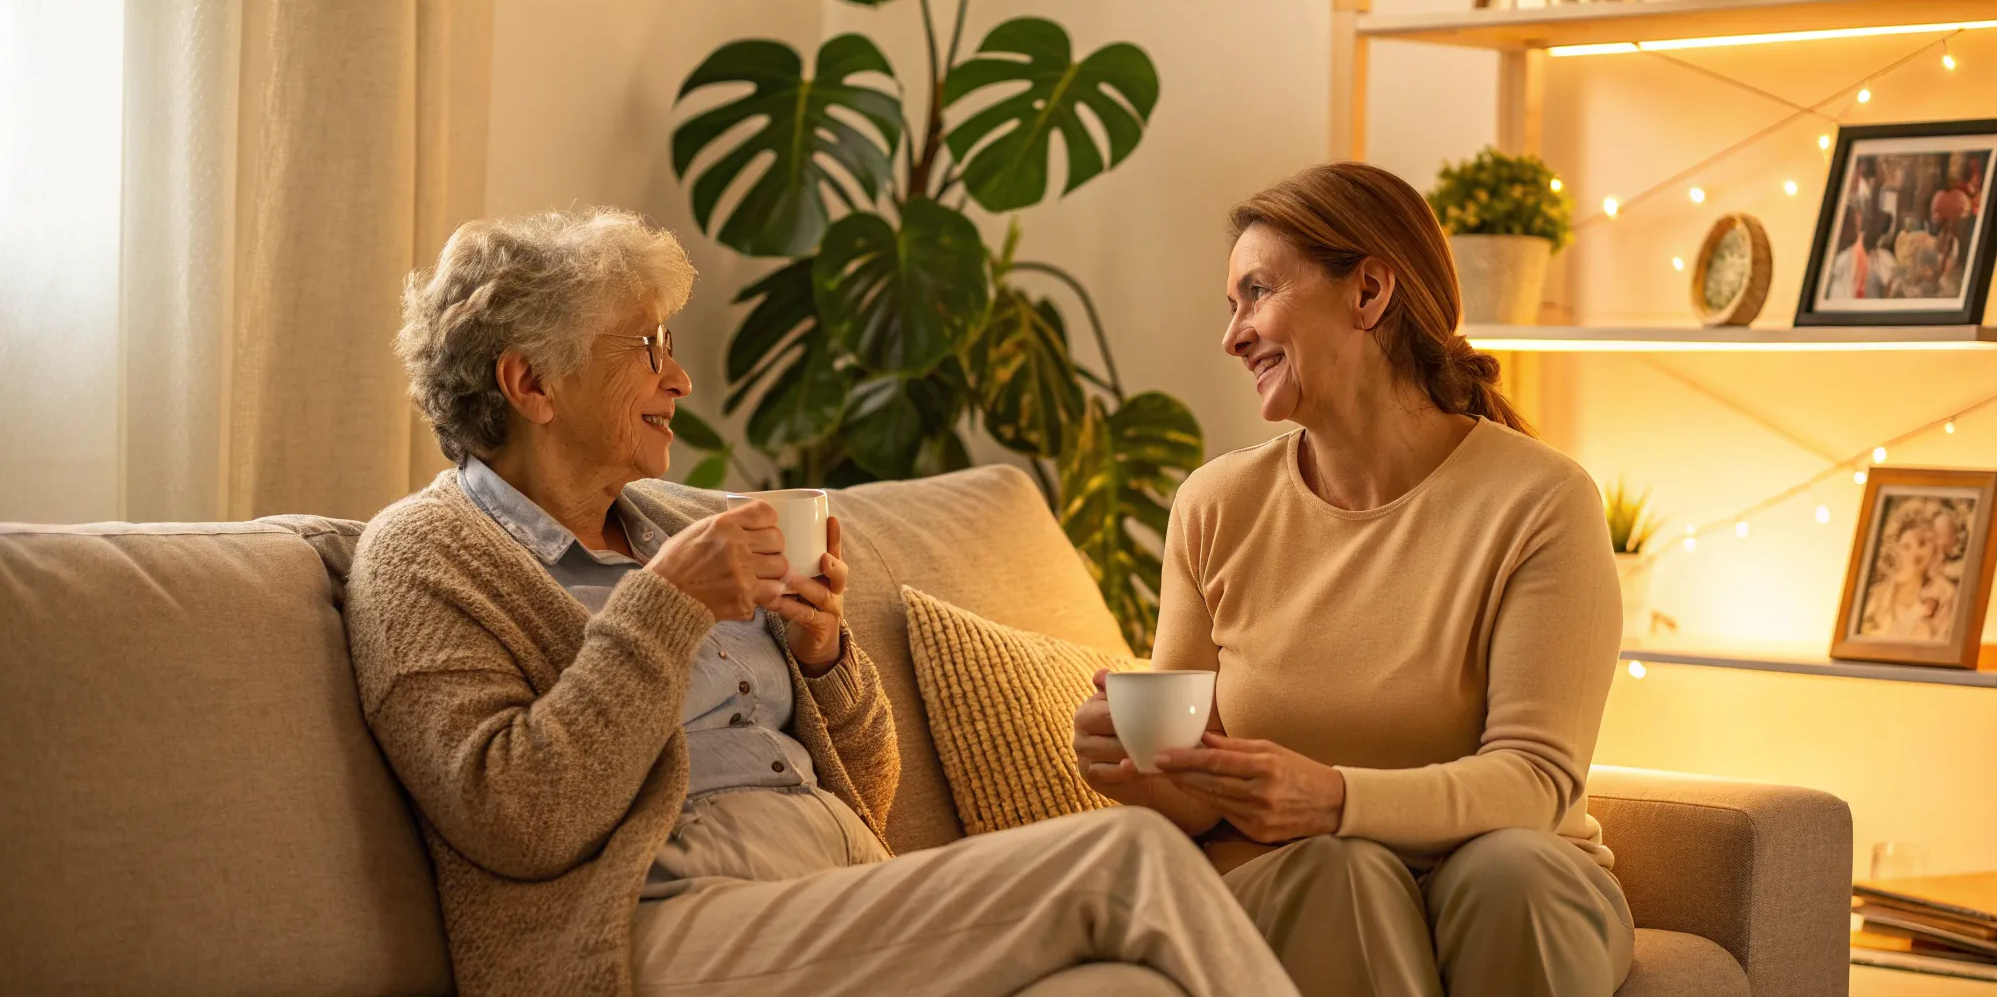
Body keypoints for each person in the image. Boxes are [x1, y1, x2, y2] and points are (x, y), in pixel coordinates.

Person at [347, 207, 1298, 997]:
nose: (678, 378)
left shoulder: (673, 519)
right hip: (649, 926)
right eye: (647, 347)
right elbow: (518, 816)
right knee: (1127, 855)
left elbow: (866, 790)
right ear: (529, 383)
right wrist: (668, 605)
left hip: (833, 881)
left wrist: (825, 658)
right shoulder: (424, 559)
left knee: (1118, 990)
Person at [1072, 163, 1633, 997]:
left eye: (1256, 293)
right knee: (1337, 876)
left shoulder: (1542, 502)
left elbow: (1535, 780)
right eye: (1232, 307)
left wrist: (1334, 799)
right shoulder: (1217, 505)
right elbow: (1202, 794)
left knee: (1508, 874)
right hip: (1296, 882)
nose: (1233, 336)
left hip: (1517, 883)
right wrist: (1140, 770)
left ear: (1368, 291)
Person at [1859, 498, 1960, 642]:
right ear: (1896, 547)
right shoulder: (1879, 594)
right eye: (1906, 546)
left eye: (1923, 544)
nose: (1915, 554)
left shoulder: (1944, 593)